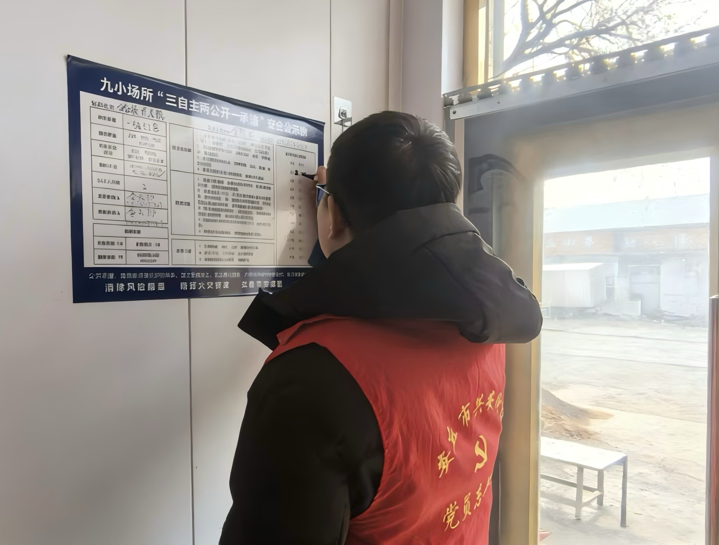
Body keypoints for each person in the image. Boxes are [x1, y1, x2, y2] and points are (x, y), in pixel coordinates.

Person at [220, 111, 542, 544]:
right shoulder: (482, 322)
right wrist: (338, 214)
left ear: (333, 215)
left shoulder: (308, 380)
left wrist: (336, 212)